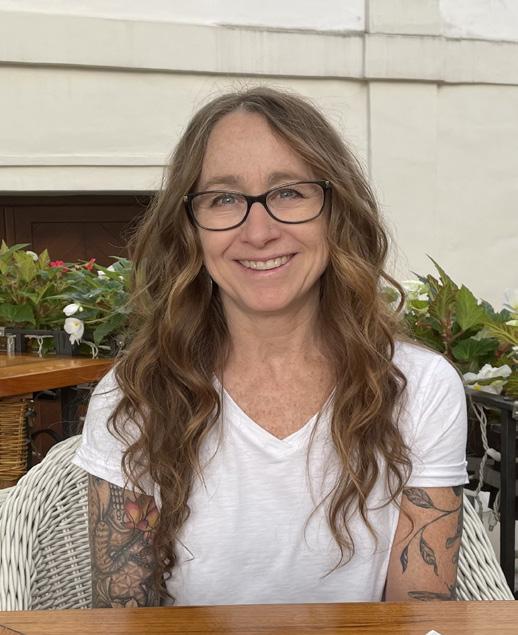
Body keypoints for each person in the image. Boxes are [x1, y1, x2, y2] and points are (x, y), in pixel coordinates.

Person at [72, 86, 468, 608]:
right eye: (223, 199)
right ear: (190, 229)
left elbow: (420, 617)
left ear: (335, 211)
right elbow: (123, 623)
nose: (258, 232)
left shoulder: (420, 388)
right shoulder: (136, 396)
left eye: (289, 193)